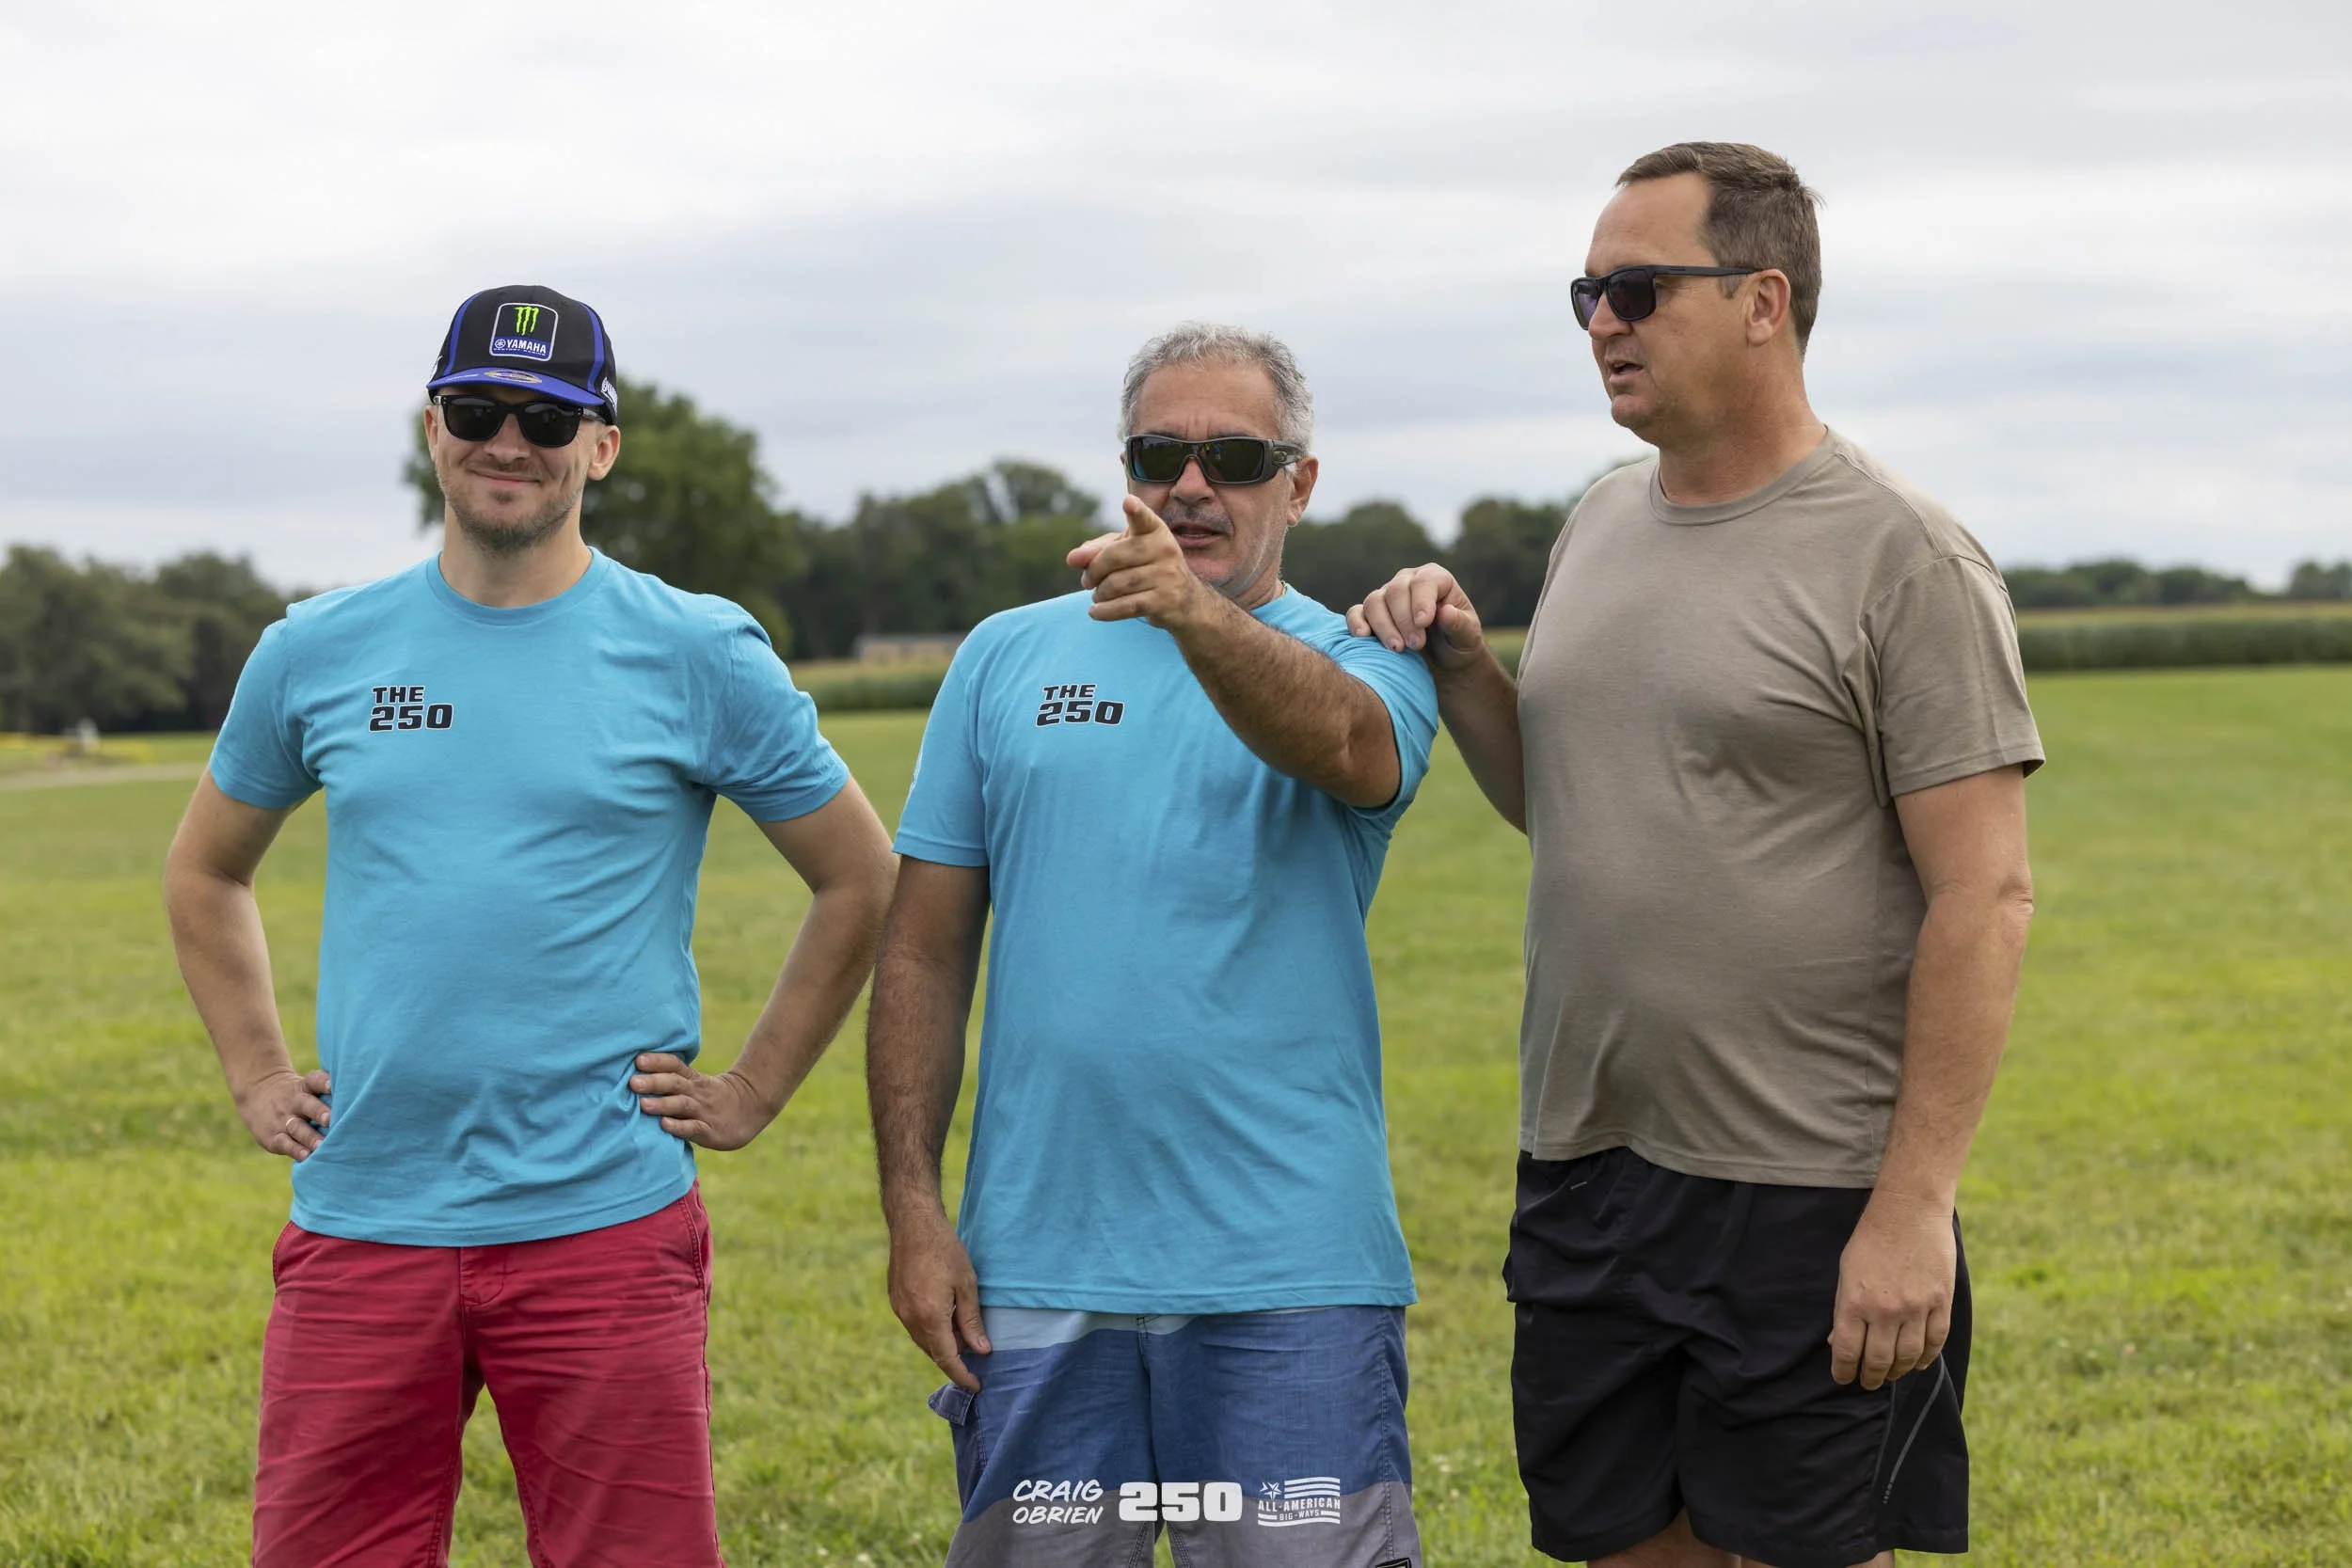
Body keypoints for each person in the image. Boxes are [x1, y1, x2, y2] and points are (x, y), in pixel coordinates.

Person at [1352, 144, 2043, 1568]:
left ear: (1762, 302)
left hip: (1804, 1184)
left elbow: (1988, 893)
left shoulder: (1902, 553)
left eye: (1637, 288)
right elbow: (1577, 801)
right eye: (1587, 293)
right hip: (1586, 1163)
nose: (1603, 321)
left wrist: (1912, 1209)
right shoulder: (1603, 518)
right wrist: (1473, 667)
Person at [163, 284, 897, 1568]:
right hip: (364, 1221)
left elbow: (861, 876)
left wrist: (756, 1088)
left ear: (601, 444)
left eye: (548, 417)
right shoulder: (317, 649)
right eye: (478, 408)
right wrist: (257, 1067)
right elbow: (206, 870)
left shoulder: (697, 652)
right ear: (431, 426)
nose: (510, 440)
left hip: (603, 1225)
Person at [867, 323, 1438, 1567]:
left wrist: (1189, 615)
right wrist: (915, 1212)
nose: (1193, 484)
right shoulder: (1003, 657)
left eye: (1236, 455)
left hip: (1291, 1278)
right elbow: (920, 954)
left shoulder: (1367, 659)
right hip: (1036, 1273)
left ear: (1301, 481)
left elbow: (1346, 749)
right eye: (1160, 453)